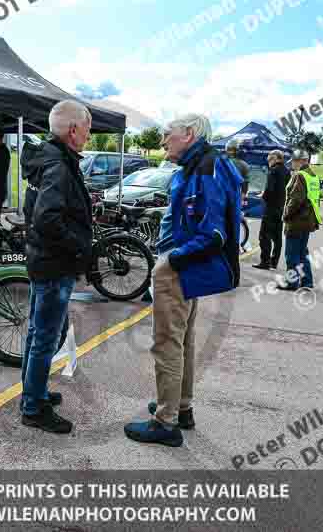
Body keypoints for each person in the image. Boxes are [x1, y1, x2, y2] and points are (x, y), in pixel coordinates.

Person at [124, 113, 242, 447]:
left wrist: (172, 259)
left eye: (167, 134)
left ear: (188, 134)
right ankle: (181, 407)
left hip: (181, 266)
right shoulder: (205, 164)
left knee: (166, 343)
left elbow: (214, 233)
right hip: (188, 266)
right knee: (182, 341)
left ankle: (165, 421)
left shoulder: (205, 167)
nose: (162, 140)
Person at [20, 100, 92, 434]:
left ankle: (33, 394)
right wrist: (78, 245)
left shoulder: (47, 159)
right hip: (53, 264)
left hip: (43, 260)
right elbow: (46, 217)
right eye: (88, 129)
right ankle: (33, 407)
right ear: (73, 130)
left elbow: (34, 211)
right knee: (47, 336)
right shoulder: (59, 166)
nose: (89, 136)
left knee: (39, 333)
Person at [278, 150, 321, 291]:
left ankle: (292, 283)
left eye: (294, 161)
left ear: (302, 161)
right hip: (308, 220)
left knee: (291, 254)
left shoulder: (299, 176)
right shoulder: (313, 176)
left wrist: (285, 215)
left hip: (297, 221)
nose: (293, 164)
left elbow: (295, 200)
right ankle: (307, 281)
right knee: (302, 253)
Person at [253, 150, 289, 270]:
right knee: (277, 237)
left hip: (271, 207)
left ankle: (265, 262)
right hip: (281, 207)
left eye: (269, 159)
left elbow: (270, 189)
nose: (268, 162)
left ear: (275, 159)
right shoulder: (287, 171)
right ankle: (274, 262)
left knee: (264, 235)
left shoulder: (273, 171)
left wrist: (262, 196)